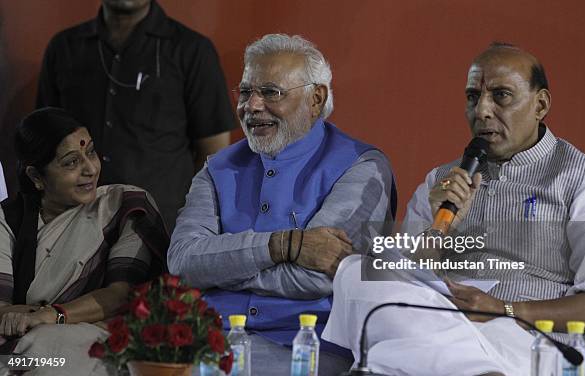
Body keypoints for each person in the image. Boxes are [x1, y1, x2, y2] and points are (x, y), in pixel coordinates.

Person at [323, 43, 585, 375]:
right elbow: (407, 282)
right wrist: (438, 228)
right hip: (439, 322)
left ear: (540, 104)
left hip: (527, 338)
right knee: (356, 270)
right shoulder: (443, 181)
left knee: (399, 348)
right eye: (473, 97)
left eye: (501, 95)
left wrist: (504, 309)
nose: (482, 111)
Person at [168, 34, 396, 375]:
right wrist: (282, 245)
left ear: (316, 98)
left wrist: (219, 269)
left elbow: (322, 276)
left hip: (305, 345)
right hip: (205, 339)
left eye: (271, 92)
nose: (252, 106)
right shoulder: (217, 169)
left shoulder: (362, 166)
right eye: (245, 92)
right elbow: (183, 261)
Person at [36, 0, 236, 230]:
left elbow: (214, 154)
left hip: (159, 228)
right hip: (75, 224)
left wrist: (194, 224)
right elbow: (45, 142)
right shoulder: (64, 48)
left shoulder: (192, 50)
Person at [0, 108, 168, 375]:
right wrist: (35, 317)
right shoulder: (8, 219)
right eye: (71, 162)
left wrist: (52, 315)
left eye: (90, 152)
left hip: (95, 342)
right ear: (36, 177)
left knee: (47, 351)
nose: (90, 168)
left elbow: (121, 295)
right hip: (20, 347)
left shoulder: (125, 205)